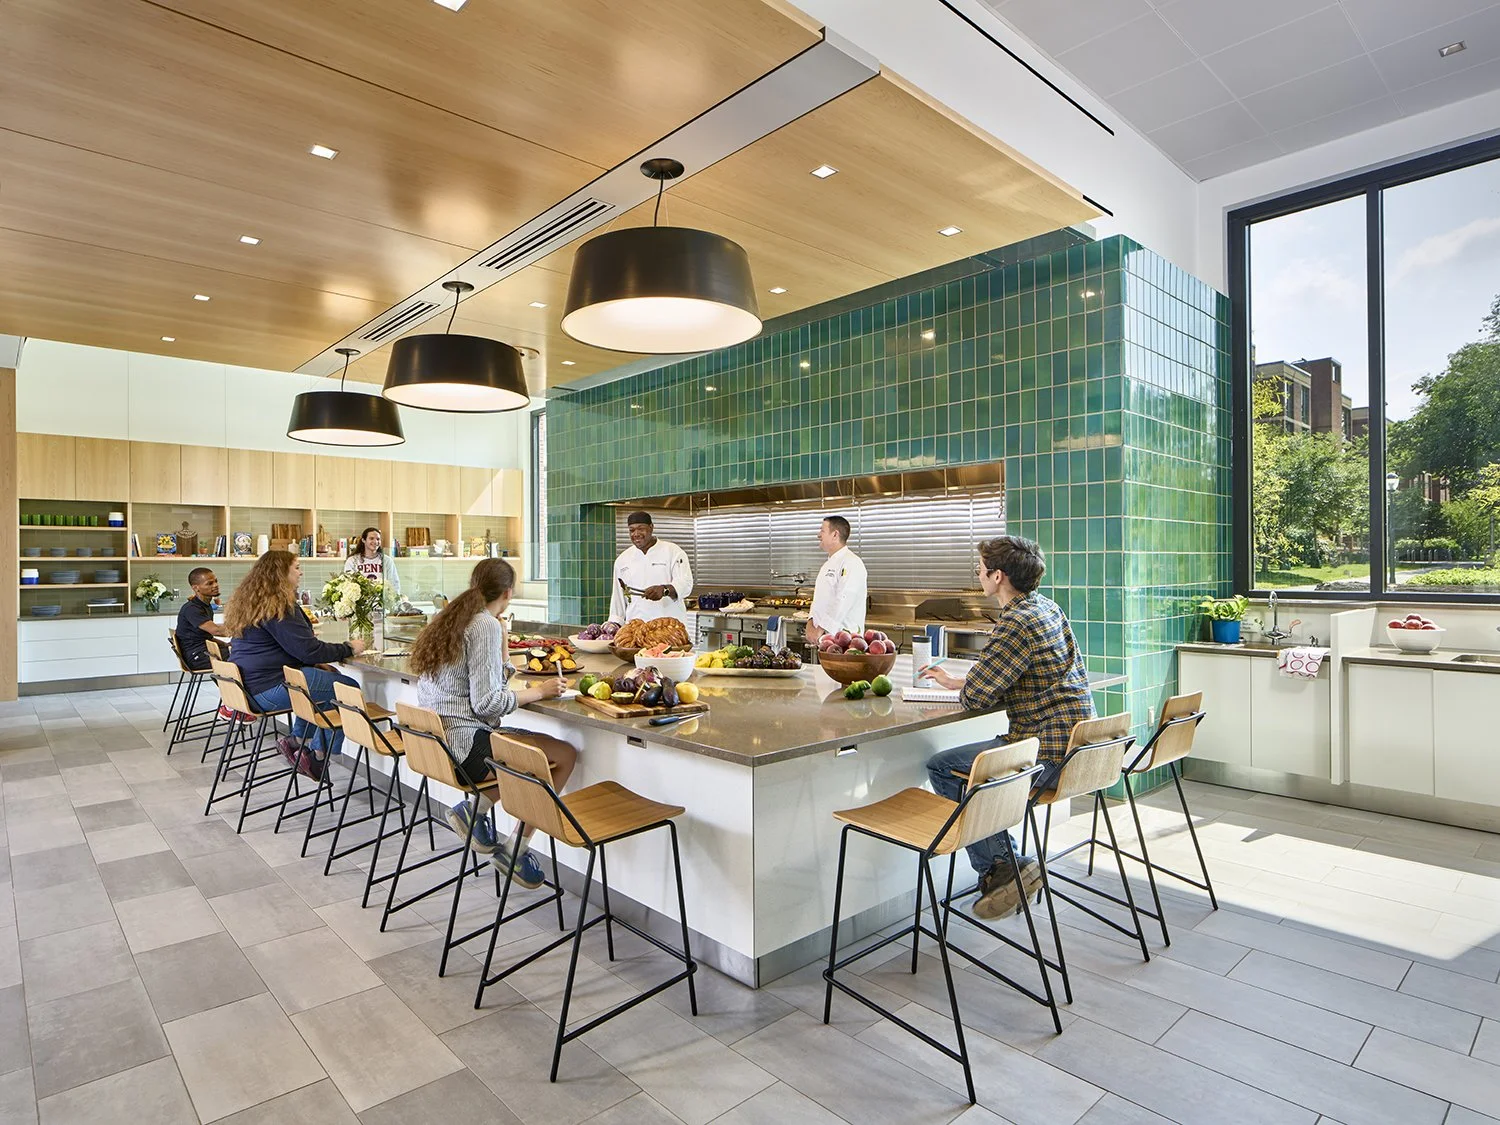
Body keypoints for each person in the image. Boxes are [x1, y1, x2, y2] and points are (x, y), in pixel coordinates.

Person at [923, 535, 1095, 920]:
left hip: (1045, 754)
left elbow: (977, 697)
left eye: (981, 569)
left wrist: (965, 686)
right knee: (979, 766)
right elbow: (1012, 674)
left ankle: (1002, 867)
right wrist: (962, 680)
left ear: (998, 576)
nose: (978, 573)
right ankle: (1009, 865)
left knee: (942, 766)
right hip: (1081, 749)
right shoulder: (1048, 609)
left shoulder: (1015, 621)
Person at [409, 558, 577, 888]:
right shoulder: (483, 624)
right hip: (465, 747)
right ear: (508, 592)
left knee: (526, 765)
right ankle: (515, 850)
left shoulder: (457, 618)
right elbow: (488, 705)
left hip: (442, 744)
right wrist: (539, 693)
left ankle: (475, 812)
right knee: (562, 757)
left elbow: (485, 690)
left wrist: (503, 645)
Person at [225, 551, 367, 780]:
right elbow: (308, 650)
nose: (301, 572)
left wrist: (317, 662)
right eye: (297, 567)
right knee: (347, 690)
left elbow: (290, 649)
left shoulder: (254, 602)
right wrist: (348, 648)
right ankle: (317, 756)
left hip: (249, 687)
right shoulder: (280, 606)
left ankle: (297, 741)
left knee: (323, 686)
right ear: (281, 574)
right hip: (268, 689)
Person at [608, 511, 693, 626]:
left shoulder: (672, 551)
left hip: (669, 627)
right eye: (632, 530)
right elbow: (618, 597)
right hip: (636, 629)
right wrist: (614, 623)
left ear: (651, 527)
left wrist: (664, 590)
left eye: (641, 528)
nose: (636, 534)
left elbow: (685, 584)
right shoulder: (622, 560)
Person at [803, 515, 867, 644]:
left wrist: (821, 628)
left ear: (835, 535)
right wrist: (810, 622)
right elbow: (819, 600)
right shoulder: (827, 564)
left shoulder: (852, 562)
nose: (818, 535)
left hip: (846, 640)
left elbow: (843, 599)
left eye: (822, 530)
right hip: (825, 639)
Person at [175, 567, 229, 671]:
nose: (216, 585)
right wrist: (242, 630)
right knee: (242, 655)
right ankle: (230, 687)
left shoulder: (205, 606)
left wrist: (225, 644)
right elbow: (216, 630)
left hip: (203, 651)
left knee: (240, 652)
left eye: (216, 581)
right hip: (196, 657)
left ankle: (229, 686)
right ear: (196, 588)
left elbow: (206, 637)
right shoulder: (192, 609)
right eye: (209, 583)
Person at [345, 527, 400, 596]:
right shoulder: (352, 561)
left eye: (378, 539)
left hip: (382, 604)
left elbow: (394, 583)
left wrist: (394, 601)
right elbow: (348, 585)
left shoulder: (387, 561)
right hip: (361, 604)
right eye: (371, 538)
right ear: (363, 540)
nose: (375, 542)